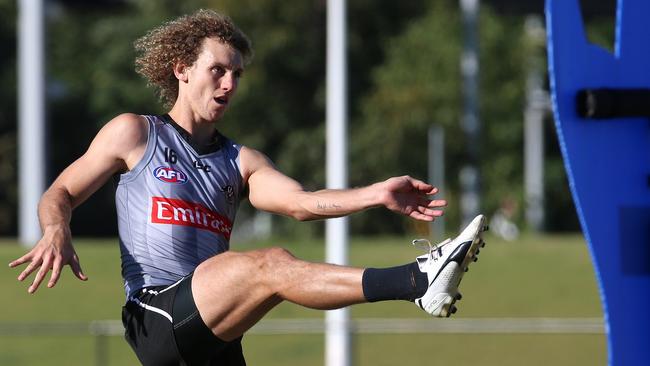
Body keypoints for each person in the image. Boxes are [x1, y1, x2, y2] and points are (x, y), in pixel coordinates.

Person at [9, 9, 487, 366]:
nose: (229, 83)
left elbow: (300, 203)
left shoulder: (241, 161)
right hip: (158, 316)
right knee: (271, 265)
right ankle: (416, 281)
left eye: (237, 74)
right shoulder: (135, 133)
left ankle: (420, 282)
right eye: (218, 69)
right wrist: (55, 229)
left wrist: (375, 194)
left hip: (216, 335)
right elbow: (59, 194)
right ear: (182, 69)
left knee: (268, 271)